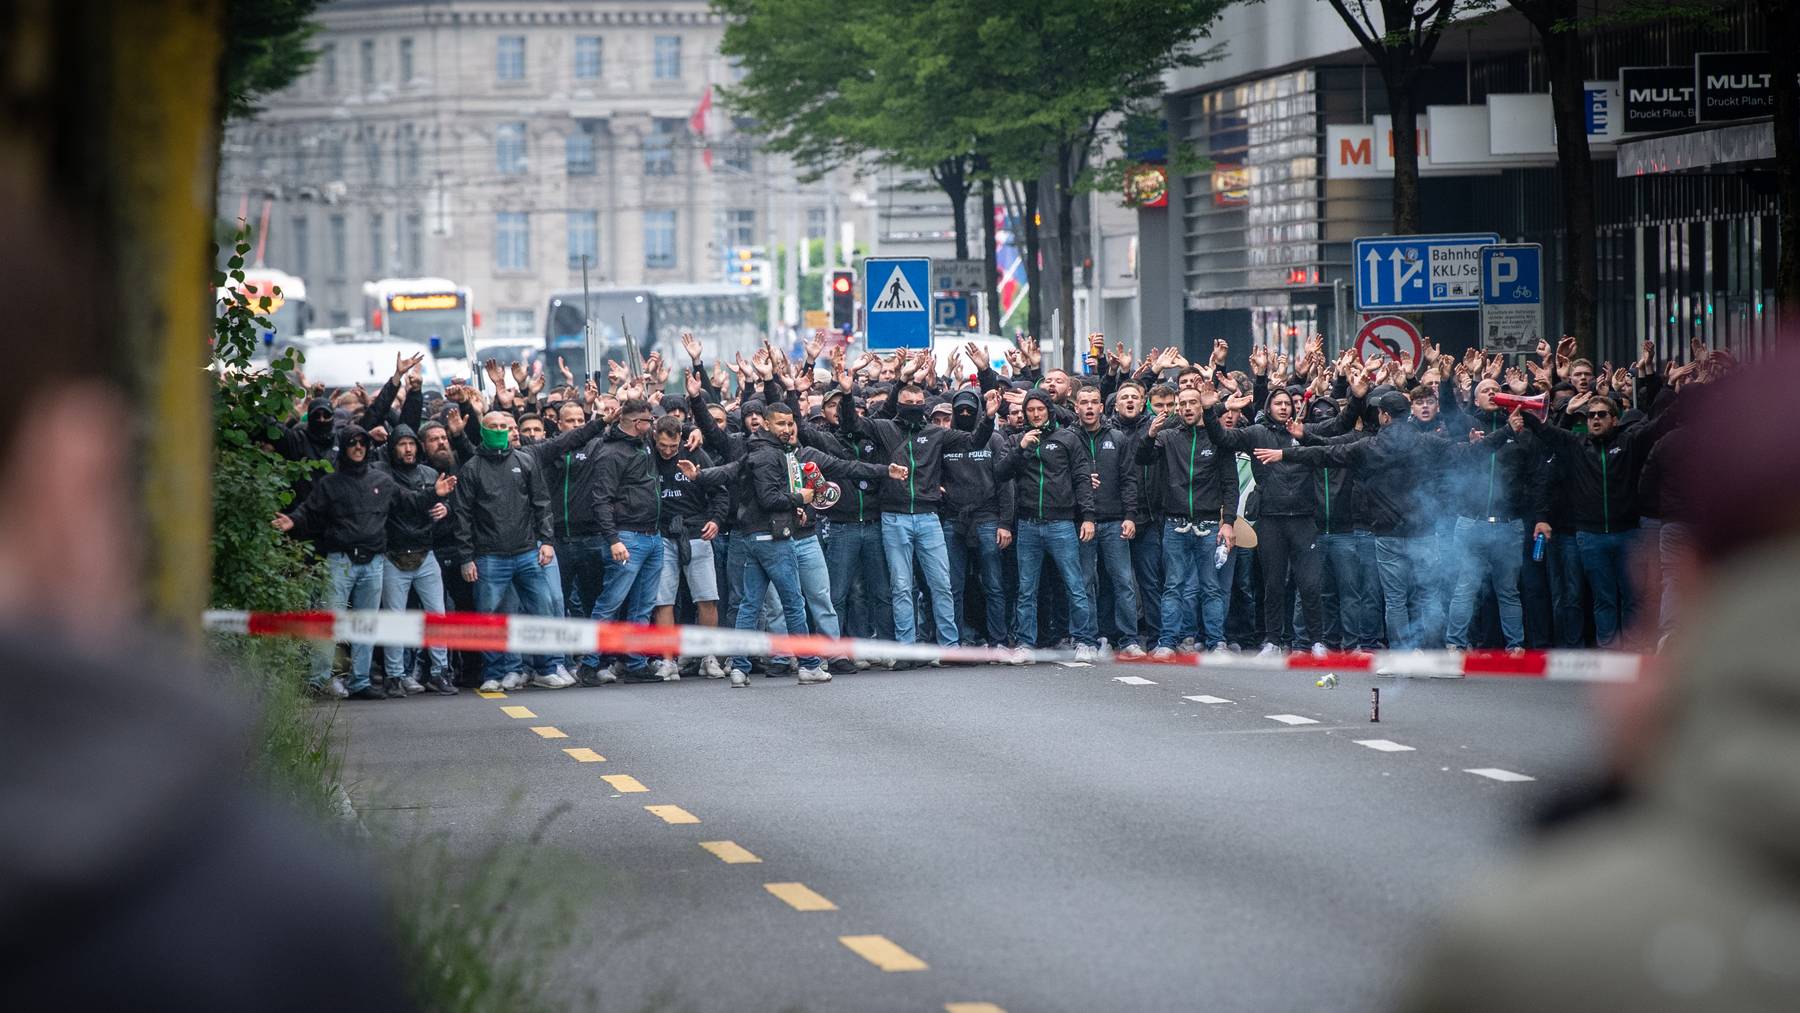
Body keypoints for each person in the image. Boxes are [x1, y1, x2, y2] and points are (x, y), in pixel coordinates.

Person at [274, 424, 456, 699]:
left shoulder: (382, 481)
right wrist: (293, 520)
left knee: (366, 624)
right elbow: (309, 511)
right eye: (352, 443)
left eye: (362, 443)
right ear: (344, 447)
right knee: (331, 622)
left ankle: (360, 681)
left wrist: (435, 494)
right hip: (341, 560)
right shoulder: (330, 483)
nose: (358, 447)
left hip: (374, 562)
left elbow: (410, 502)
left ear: (368, 447)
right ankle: (317, 680)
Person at [848, 352, 995, 652]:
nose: (914, 408)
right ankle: (906, 648)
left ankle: (950, 647)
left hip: (929, 517)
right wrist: (898, 380)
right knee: (901, 587)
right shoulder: (884, 429)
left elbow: (973, 442)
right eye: (908, 404)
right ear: (899, 406)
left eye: (918, 405)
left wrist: (989, 418)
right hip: (894, 516)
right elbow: (854, 424)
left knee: (941, 584)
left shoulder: (936, 433)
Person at [448, 412, 562, 693]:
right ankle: (495, 672)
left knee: (543, 609)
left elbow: (542, 504)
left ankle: (546, 669)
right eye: (493, 427)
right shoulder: (472, 468)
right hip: (489, 557)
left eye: (504, 426)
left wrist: (546, 541)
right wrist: (466, 557)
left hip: (527, 552)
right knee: (489, 617)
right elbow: (461, 516)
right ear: (483, 430)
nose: (500, 430)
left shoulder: (525, 460)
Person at [1136, 384, 1239, 657]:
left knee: (1211, 588)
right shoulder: (1168, 436)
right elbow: (1142, 458)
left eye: (1193, 403)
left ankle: (1217, 642)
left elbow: (1231, 484)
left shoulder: (1218, 438)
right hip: (1174, 523)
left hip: (1208, 524)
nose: (1187, 408)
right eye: (1182, 404)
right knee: (1173, 586)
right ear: (1177, 408)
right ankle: (1167, 643)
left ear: (1202, 405)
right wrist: (1149, 435)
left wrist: (1227, 521)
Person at [998, 390, 1100, 662]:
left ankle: (1084, 640)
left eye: (1039, 409)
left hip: (1062, 524)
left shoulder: (1068, 438)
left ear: (1049, 410)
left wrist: (1088, 517)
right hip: (1028, 524)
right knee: (1026, 588)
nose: (1034, 414)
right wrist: (1022, 449)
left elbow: (1081, 479)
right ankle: (1025, 645)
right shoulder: (1017, 440)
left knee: (1075, 585)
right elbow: (1001, 473)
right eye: (1029, 410)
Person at [583, 398, 667, 683]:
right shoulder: (610, 453)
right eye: (648, 421)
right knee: (609, 603)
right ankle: (589, 663)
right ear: (635, 423)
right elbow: (601, 500)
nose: (652, 425)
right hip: (627, 537)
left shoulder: (643, 442)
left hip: (652, 535)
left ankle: (635, 662)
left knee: (643, 606)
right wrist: (613, 539)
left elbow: (671, 429)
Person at [375, 423, 458, 695]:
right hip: (393, 554)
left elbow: (449, 512)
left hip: (426, 552)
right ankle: (395, 676)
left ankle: (440, 672)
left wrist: (445, 510)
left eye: (412, 444)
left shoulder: (430, 473)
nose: (408, 449)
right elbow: (403, 503)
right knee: (395, 619)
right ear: (392, 447)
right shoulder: (383, 474)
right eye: (402, 444)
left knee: (438, 616)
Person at [651, 414, 729, 679]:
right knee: (663, 601)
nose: (668, 451)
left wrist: (716, 521)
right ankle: (667, 660)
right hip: (661, 535)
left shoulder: (694, 451)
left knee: (707, 598)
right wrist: (691, 426)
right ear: (655, 438)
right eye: (663, 446)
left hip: (697, 533)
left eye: (673, 447)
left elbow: (720, 491)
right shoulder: (647, 453)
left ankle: (709, 656)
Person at [939, 389, 1014, 649]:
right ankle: (956, 641)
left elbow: (1005, 483)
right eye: (959, 409)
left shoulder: (993, 439)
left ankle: (999, 641)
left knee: (993, 584)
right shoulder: (946, 441)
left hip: (988, 518)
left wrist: (1005, 522)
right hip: (953, 519)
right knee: (953, 586)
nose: (964, 414)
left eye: (970, 409)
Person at [1072, 385, 1142, 658]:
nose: (1089, 407)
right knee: (1085, 582)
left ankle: (1129, 640)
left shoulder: (1118, 438)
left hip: (1115, 521)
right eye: (1084, 403)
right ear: (1076, 407)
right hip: (1081, 523)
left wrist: (1130, 516)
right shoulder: (1068, 438)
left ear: (1102, 407)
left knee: (1123, 582)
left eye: (1094, 403)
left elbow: (1129, 480)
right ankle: (1085, 640)